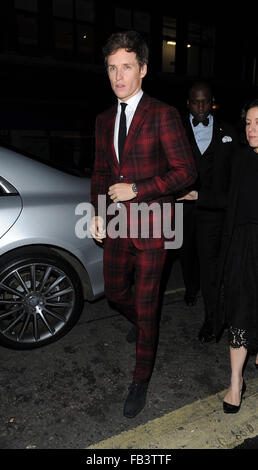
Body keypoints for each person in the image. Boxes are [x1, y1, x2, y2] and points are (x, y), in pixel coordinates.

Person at [90, 30, 197, 418]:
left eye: (127, 68)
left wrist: (137, 188)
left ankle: (140, 377)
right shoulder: (103, 120)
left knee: (148, 305)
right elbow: (101, 172)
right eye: (112, 68)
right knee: (117, 294)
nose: (118, 77)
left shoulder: (163, 114)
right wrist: (98, 211)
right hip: (118, 225)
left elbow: (186, 173)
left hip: (154, 226)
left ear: (143, 70)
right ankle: (143, 322)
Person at [177, 80, 237, 343]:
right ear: (187, 104)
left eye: (205, 101)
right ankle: (191, 288)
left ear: (212, 101)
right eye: (195, 102)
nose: (201, 107)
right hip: (182, 209)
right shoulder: (176, 130)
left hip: (213, 211)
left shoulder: (230, 132)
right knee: (186, 255)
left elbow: (235, 176)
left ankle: (213, 319)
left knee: (210, 268)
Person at [215, 99, 258, 413]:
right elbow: (225, 198)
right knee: (240, 312)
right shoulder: (241, 159)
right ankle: (235, 383)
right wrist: (194, 194)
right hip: (242, 245)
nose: (252, 130)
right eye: (248, 123)